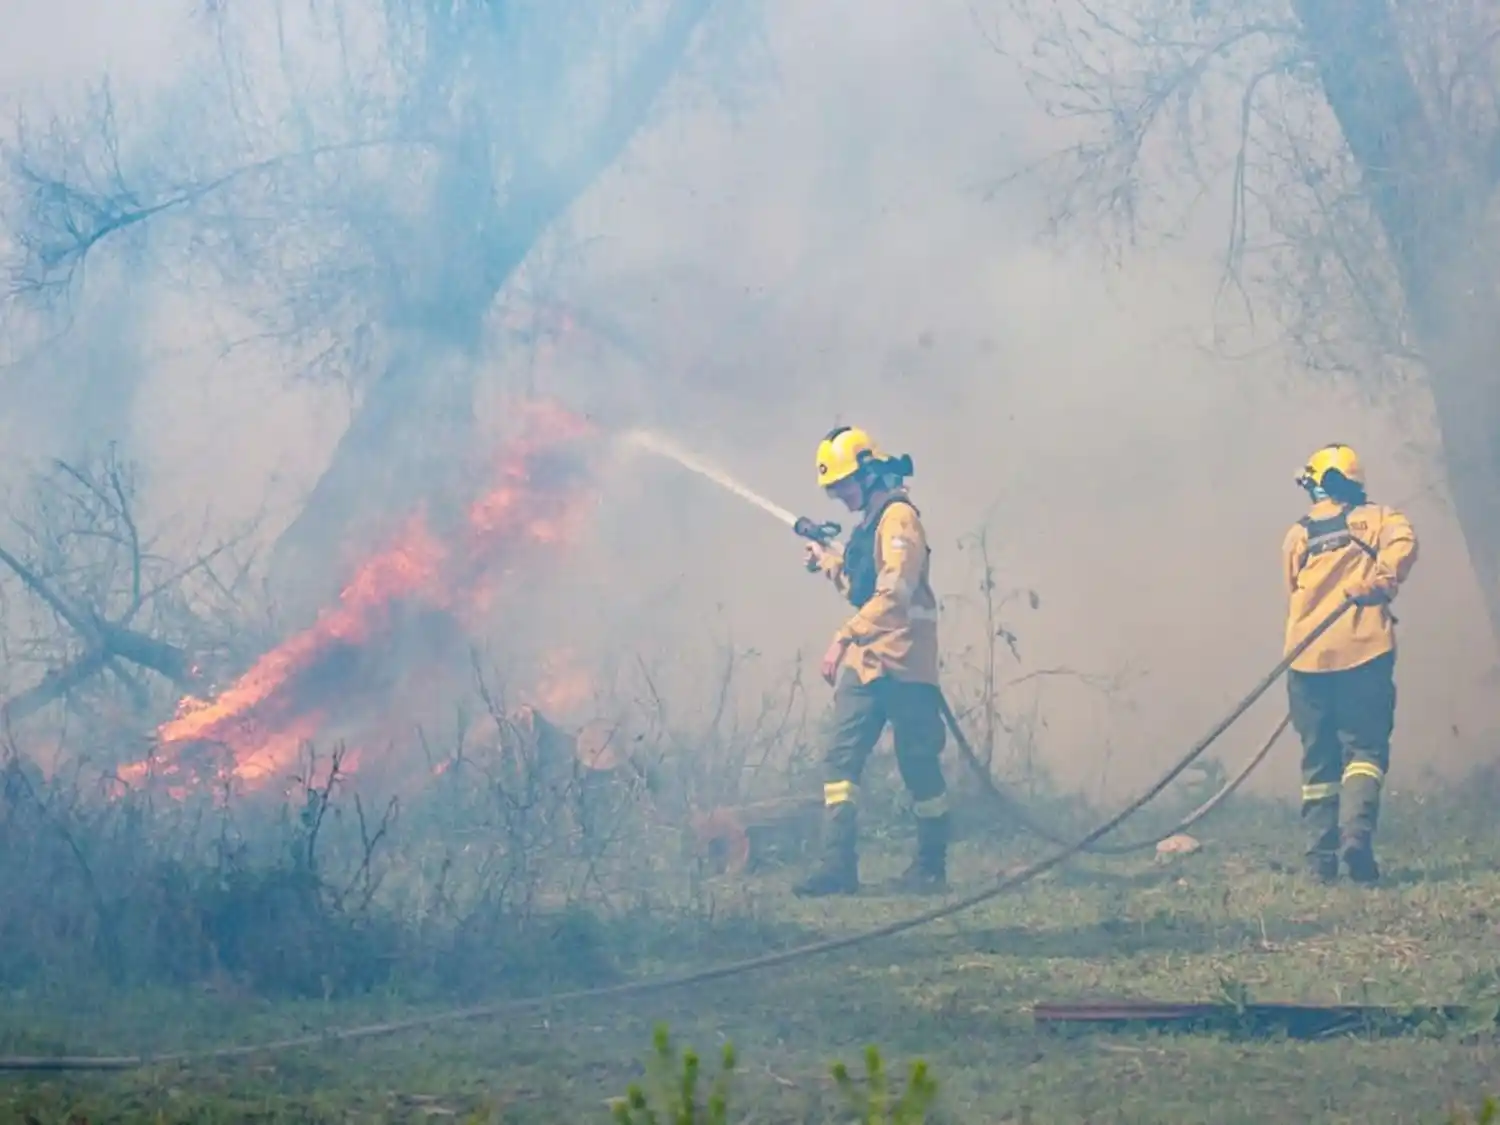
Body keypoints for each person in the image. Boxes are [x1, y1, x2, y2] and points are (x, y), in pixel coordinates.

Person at [793, 425, 949, 897]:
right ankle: (837, 869)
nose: (840, 495)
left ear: (870, 473)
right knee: (840, 761)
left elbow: (895, 593)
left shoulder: (899, 519)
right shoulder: (869, 526)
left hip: (904, 663)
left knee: (918, 765)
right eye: (834, 488)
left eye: (844, 484)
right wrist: (828, 563)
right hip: (867, 666)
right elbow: (863, 589)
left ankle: (931, 868)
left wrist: (843, 636)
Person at [1283, 443, 1418, 885]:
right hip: (1364, 653)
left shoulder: (1297, 535)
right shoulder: (1382, 518)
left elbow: (1292, 587)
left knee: (1318, 762)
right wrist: (1383, 579)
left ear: (1317, 484)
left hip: (1306, 662)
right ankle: (1356, 838)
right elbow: (1404, 543)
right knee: (1364, 751)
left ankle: (1319, 863)